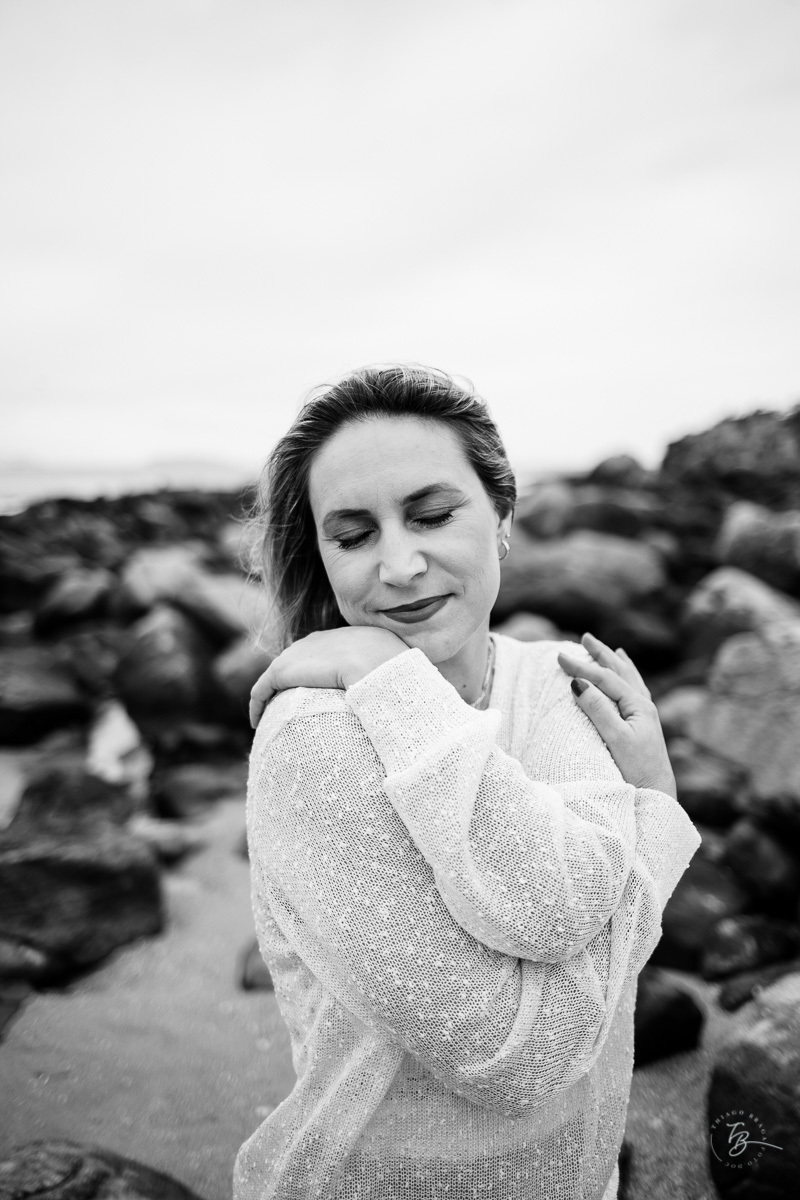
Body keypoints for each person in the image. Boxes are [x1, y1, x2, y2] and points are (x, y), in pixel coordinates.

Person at [234, 364, 700, 1200]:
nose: (400, 565)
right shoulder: (312, 739)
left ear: (503, 517)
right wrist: (656, 815)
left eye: (431, 515)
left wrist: (386, 672)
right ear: (325, 560)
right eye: (354, 535)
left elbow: (570, 896)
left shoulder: (555, 679)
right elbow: (523, 1058)